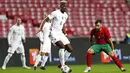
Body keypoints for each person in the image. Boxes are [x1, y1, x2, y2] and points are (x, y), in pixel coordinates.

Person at [38, 0, 72, 72]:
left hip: (60, 33)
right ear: (60, 6)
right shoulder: (55, 13)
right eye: (63, 5)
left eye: (65, 5)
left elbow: (62, 25)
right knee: (62, 46)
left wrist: (65, 33)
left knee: (70, 49)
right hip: (53, 33)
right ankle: (63, 66)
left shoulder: (66, 15)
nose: (64, 6)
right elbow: (45, 20)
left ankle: (61, 64)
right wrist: (41, 29)